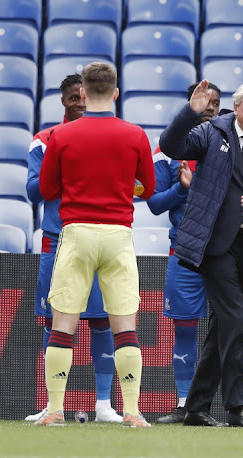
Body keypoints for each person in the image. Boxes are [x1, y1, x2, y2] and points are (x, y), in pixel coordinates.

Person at [159, 79, 243, 428]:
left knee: (222, 326)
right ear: (235, 108)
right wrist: (191, 112)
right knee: (235, 320)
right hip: (213, 246)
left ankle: (195, 408)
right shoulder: (210, 132)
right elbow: (171, 145)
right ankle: (238, 407)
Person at [37, 62, 155, 427]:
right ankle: (132, 412)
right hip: (117, 234)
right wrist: (122, 188)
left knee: (63, 324)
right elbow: (147, 189)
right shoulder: (135, 135)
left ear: (84, 94)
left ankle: (55, 409)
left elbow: (46, 189)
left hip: (76, 233)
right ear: (116, 93)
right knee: (124, 326)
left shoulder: (62, 135)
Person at [25, 73, 122, 424]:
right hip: (57, 240)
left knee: (101, 324)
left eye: (81, 97)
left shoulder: (114, 136)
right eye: (71, 99)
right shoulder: (45, 141)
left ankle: (103, 404)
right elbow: (34, 191)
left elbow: (139, 187)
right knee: (54, 325)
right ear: (63, 101)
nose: (79, 104)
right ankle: (54, 405)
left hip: (98, 240)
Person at [147, 82, 221, 424]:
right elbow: (154, 203)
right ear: (191, 103)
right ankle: (183, 403)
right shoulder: (166, 153)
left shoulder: (231, 144)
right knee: (185, 329)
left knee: (231, 330)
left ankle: (233, 403)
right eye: (204, 101)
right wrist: (181, 187)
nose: (210, 106)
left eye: (215, 102)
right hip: (183, 251)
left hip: (223, 252)